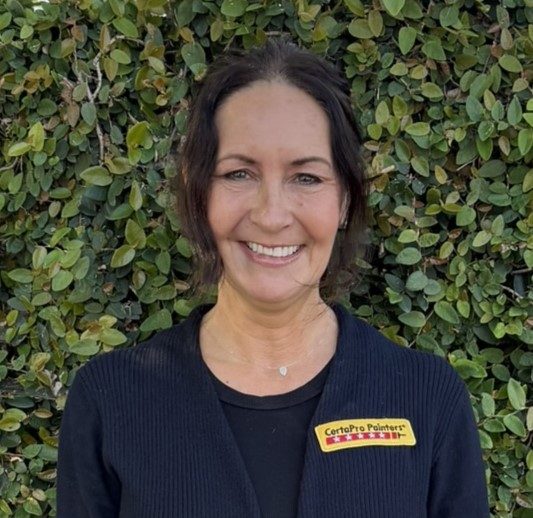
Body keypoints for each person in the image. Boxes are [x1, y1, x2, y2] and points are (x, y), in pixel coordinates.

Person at [57, 38, 490, 517]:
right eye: (239, 174)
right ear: (199, 192)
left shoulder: (427, 399)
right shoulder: (110, 403)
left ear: (345, 200)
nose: (271, 215)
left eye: (306, 178)